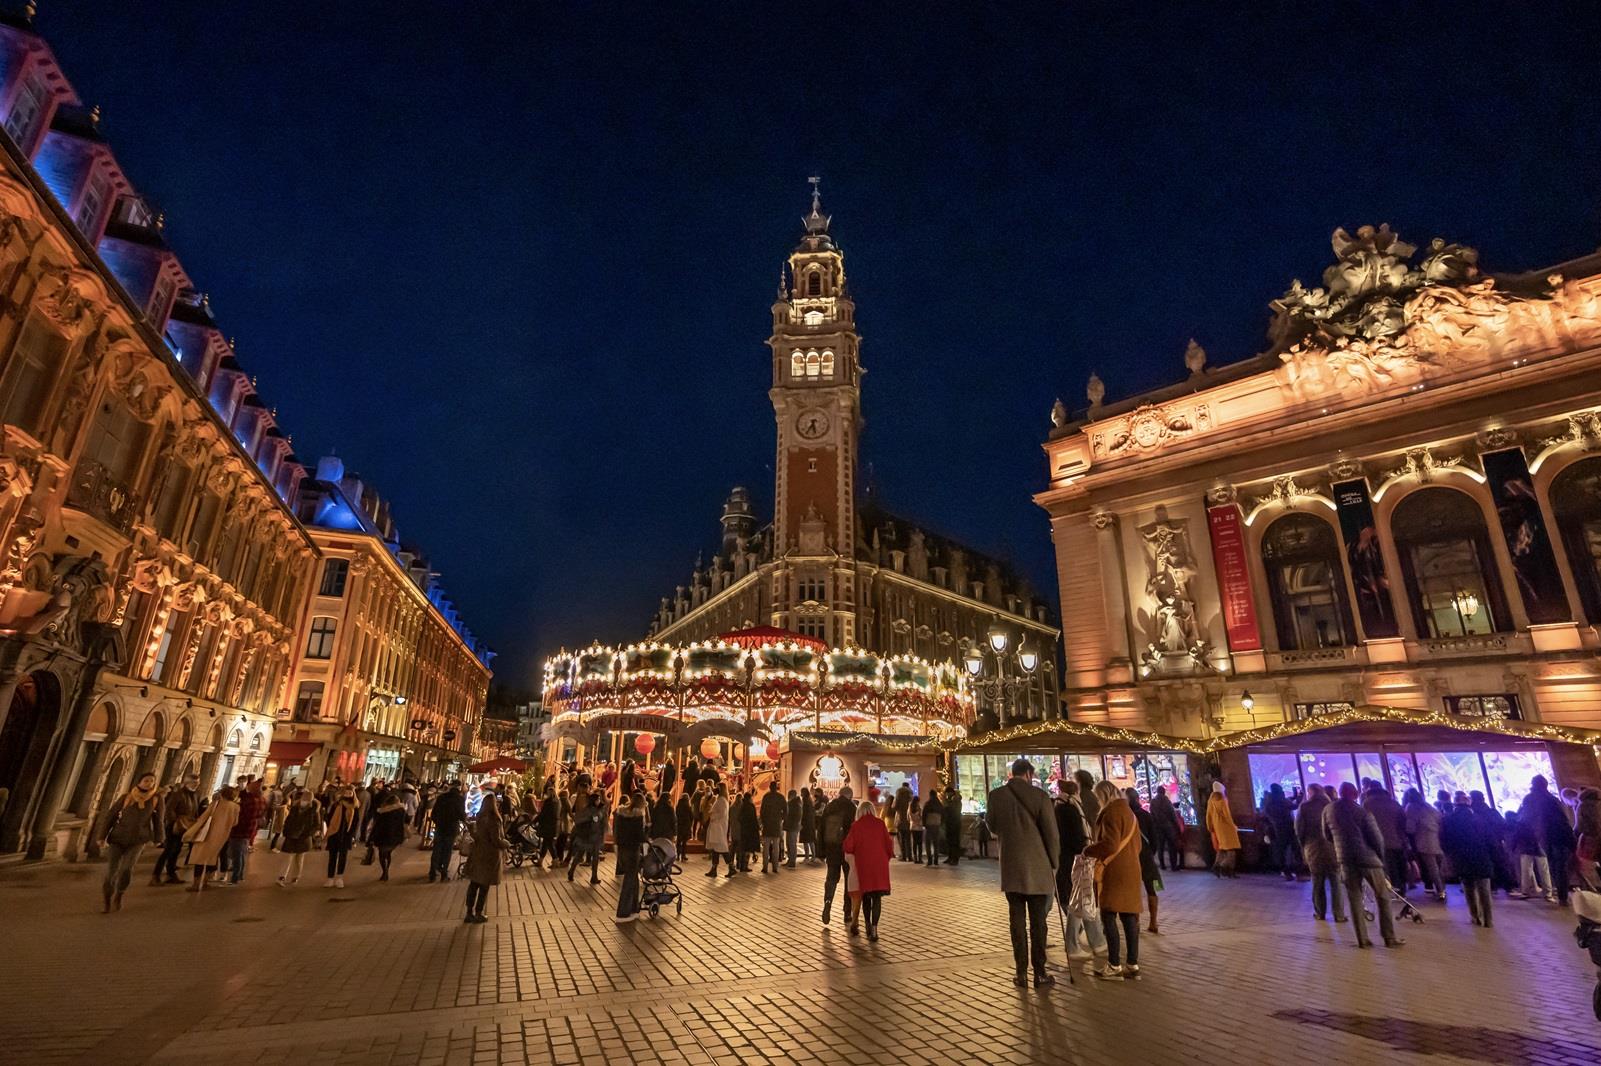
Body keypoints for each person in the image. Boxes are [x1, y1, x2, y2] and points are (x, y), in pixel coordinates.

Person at [990, 758, 1060, 988]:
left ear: (1012, 773)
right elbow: (1051, 833)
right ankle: (1039, 971)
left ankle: (1020, 972)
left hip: (1011, 867)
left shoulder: (996, 796)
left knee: (1016, 921)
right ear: (1029, 774)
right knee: (1038, 923)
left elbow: (992, 826)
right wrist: (1054, 862)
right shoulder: (1039, 797)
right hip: (1038, 867)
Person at [1323, 782, 1403, 949]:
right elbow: (1376, 838)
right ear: (1355, 793)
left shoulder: (1328, 811)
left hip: (1345, 859)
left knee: (1354, 898)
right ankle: (1389, 937)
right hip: (1369, 859)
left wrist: (1340, 848)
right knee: (1382, 896)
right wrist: (1380, 857)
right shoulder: (1362, 811)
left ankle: (1362, 939)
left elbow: (1327, 835)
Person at [1054, 779, 1109, 975]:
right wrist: (1086, 852)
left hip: (1068, 858)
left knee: (1083, 899)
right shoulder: (1070, 809)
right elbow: (1078, 836)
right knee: (1079, 899)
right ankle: (1075, 944)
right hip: (1076, 859)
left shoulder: (1060, 806)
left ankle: (1097, 941)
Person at [99, 771, 162, 912]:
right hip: (117, 838)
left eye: (152, 781)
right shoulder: (126, 797)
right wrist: (101, 836)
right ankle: (107, 899)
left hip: (137, 840)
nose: (149, 783)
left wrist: (159, 838)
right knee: (111, 871)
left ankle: (120, 894)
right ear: (139, 782)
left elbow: (158, 820)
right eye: (146, 780)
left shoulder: (155, 799)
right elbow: (111, 816)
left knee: (126, 869)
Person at [1520, 774, 1578, 906]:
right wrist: (1571, 840)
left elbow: (1524, 819)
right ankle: (1562, 896)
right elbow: (1562, 821)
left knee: (1552, 867)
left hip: (1540, 838)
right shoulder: (1551, 799)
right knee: (1561, 867)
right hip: (1557, 837)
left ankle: (1559, 894)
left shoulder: (1528, 799)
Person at [843, 799, 894, 942]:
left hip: (864, 865)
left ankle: (867, 926)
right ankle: (875, 929)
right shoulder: (880, 824)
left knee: (866, 896)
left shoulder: (856, 826)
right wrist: (885, 859)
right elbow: (888, 846)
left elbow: (848, 846)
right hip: (880, 866)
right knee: (877, 898)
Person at [1442, 791, 1496, 927]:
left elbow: (1446, 841)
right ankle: (1488, 920)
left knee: (1468, 888)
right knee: (1484, 889)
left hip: (1461, 858)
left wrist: (1450, 855)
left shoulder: (1448, 820)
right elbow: (1490, 840)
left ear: (1455, 804)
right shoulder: (1478, 818)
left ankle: (1475, 916)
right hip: (1481, 856)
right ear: (1468, 803)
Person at [1295, 785, 1345, 923]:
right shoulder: (1333, 806)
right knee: (1335, 881)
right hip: (1333, 848)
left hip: (1313, 848)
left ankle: (1320, 912)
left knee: (1317, 881)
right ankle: (1339, 914)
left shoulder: (1304, 807)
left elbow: (1299, 830)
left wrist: (1303, 846)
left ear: (1310, 792)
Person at [183, 785, 240, 893]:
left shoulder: (216, 804)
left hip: (207, 835)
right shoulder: (236, 807)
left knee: (199, 859)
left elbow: (203, 818)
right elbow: (235, 822)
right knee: (212, 858)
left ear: (222, 794)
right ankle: (205, 882)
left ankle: (196, 884)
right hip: (222, 836)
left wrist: (190, 832)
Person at [463, 796, 508, 924]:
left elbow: (477, 835)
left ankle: (469, 912)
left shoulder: (480, 817)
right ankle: (479, 913)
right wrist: (506, 844)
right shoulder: (494, 820)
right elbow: (496, 840)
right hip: (489, 856)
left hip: (477, 853)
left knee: (474, 883)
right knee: (484, 885)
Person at [1124, 788, 1163, 934]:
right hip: (1147, 858)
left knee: (1134, 890)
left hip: (1131, 857)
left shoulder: (1127, 816)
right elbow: (1154, 839)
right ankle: (1153, 921)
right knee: (1152, 888)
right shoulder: (1146, 816)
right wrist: (1150, 853)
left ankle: (1136, 923)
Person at [1361, 782, 1409, 898]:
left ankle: (1394, 889)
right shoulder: (1393, 803)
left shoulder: (1367, 804)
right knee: (1399, 864)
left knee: (1388, 866)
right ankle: (1402, 888)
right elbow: (1403, 821)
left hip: (1378, 840)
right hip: (1397, 839)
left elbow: (1364, 823)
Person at [153, 772, 201, 886]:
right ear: (186, 782)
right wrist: (175, 822)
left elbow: (195, 809)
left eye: (197, 783)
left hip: (186, 826)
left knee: (177, 850)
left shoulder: (196, 794)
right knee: (169, 850)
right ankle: (155, 875)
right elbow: (169, 809)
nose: (196, 785)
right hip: (175, 826)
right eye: (193, 783)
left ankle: (171, 874)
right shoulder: (178, 794)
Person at [819, 786, 857, 926]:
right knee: (849, 880)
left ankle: (827, 902)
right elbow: (855, 831)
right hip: (847, 851)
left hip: (832, 849)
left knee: (831, 878)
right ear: (850, 796)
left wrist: (821, 851)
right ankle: (847, 912)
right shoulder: (852, 808)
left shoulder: (830, 807)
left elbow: (821, 829)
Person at [1403, 787, 1446, 901]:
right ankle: (1443, 889)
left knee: (1432, 868)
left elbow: (1410, 828)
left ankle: (1440, 891)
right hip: (1437, 839)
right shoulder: (1428, 806)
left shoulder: (1411, 808)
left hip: (1423, 841)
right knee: (1439, 867)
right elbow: (1440, 818)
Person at [614, 791, 648, 923]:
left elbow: (617, 831)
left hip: (622, 848)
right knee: (629, 880)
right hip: (633, 849)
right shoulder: (638, 815)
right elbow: (640, 835)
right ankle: (622, 913)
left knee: (633, 878)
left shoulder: (621, 813)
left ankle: (634, 908)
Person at [276, 789, 320, 886]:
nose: (304, 801)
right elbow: (288, 821)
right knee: (288, 857)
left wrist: (308, 833)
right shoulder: (295, 808)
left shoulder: (314, 811)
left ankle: (295, 877)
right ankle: (282, 877)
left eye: (307, 800)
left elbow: (316, 825)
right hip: (291, 836)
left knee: (299, 859)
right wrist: (286, 831)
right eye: (304, 799)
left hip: (303, 838)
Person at [225, 778, 263, 885]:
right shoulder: (260, 800)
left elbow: (242, 814)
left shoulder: (251, 801)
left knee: (236, 854)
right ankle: (240, 875)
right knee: (241, 853)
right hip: (248, 830)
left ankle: (235, 878)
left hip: (240, 829)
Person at [428, 781, 467, 882]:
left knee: (437, 849)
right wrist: (464, 820)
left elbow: (434, 813)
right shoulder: (460, 799)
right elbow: (461, 814)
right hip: (451, 827)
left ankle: (432, 872)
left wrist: (437, 822)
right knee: (447, 850)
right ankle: (444, 873)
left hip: (440, 826)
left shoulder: (441, 797)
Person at [322, 785, 359, 888]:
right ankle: (330, 878)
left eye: (350, 793)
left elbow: (355, 823)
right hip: (334, 834)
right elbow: (329, 817)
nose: (348, 794)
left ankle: (339, 878)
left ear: (353, 794)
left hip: (346, 835)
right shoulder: (337, 805)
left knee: (343, 857)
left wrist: (352, 835)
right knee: (332, 857)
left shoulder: (354, 807)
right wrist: (332, 827)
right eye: (346, 792)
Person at [568, 787, 605, 885]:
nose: (599, 801)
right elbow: (596, 825)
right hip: (593, 838)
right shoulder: (595, 812)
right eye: (598, 799)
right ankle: (594, 877)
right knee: (595, 858)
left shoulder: (586, 809)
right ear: (595, 801)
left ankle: (571, 871)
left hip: (583, 837)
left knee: (579, 854)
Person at [369, 789, 408, 882]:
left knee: (382, 854)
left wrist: (371, 837)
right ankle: (386, 871)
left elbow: (377, 825)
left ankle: (384, 871)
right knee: (388, 853)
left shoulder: (383, 812)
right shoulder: (401, 811)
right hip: (395, 836)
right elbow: (406, 822)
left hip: (383, 835)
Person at [1261, 783, 1297, 881]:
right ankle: (1291, 870)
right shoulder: (1281, 801)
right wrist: (1299, 797)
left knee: (1280, 850)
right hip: (1287, 828)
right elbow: (1293, 806)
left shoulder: (1269, 802)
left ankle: (1284, 871)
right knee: (1291, 849)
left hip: (1276, 829)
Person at [1205, 782, 1241, 877]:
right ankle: (1226, 868)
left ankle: (1216, 866)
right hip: (1227, 828)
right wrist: (1233, 826)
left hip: (1217, 828)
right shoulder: (1223, 800)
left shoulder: (1210, 801)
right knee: (1231, 850)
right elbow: (1227, 816)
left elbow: (1208, 815)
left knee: (1221, 848)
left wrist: (1210, 827)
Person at [704, 781, 733, 878]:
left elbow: (722, 813)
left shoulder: (722, 800)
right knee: (716, 849)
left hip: (718, 827)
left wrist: (713, 815)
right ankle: (714, 869)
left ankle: (730, 867)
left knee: (721, 849)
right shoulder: (720, 799)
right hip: (716, 827)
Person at [1150, 787, 1183, 871]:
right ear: (1164, 792)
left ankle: (1162, 865)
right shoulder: (1166, 801)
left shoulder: (1153, 802)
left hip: (1158, 827)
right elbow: (1173, 815)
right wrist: (1177, 827)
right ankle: (1173, 866)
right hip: (1168, 827)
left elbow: (1152, 816)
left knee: (1160, 846)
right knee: (1172, 846)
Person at [1575, 787, 1601, 890]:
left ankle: (1593, 889)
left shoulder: (1582, 805)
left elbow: (1579, 825)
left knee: (1586, 864)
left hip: (1592, 839)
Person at [759, 781, 785, 874]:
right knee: (776, 847)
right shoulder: (781, 797)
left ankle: (765, 867)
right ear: (776, 787)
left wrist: (762, 821)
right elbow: (786, 810)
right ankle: (775, 867)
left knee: (766, 847)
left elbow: (762, 811)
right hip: (777, 825)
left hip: (767, 825)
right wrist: (781, 818)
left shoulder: (766, 797)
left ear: (770, 787)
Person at [738, 788, 761, 873]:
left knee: (744, 848)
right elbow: (753, 818)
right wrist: (756, 827)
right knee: (748, 849)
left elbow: (739, 818)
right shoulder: (750, 806)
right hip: (750, 830)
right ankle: (745, 866)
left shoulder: (742, 805)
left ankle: (741, 865)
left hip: (744, 830)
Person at [921, 791, 944, 867]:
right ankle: (936, 860)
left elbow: (924, 814)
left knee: (928, 843)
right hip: (937, 824)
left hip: (929, 824)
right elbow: (943, 814)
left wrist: (924, 824)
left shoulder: (928, 804)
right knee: (936, 843)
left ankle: (930, 860)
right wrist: (941, 823)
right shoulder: (939, 804)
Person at [893, 781, 914, 861]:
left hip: (900, 819)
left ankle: (903, 855)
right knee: (908, 839)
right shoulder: (910, 795)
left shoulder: (899, 794)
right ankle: (910, 855)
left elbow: (894, 807)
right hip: (909, 820)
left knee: (901, 838)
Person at [944, 785, 963, 865]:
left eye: (947, 793)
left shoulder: (956, 800)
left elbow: (953, 811)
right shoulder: (950, 800)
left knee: (954, 841)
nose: (947, 795)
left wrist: (947, 806)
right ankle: (950, 857)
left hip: (955, 823)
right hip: (950, 823)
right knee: (950, 841)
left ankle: (955, 859)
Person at [784, 789, 802, 868]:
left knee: (791, 844)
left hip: (792, 826)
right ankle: (790, 859)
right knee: (790, 843)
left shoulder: (794, 804)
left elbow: (796, 816)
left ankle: (792, 861)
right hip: (792, 826)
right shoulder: (795, 804)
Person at [908, 797, 923, 863]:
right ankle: (920, 858)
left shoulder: (910, 808)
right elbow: (921, 817)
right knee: (919, 844)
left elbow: (908, 818)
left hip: (913, 826)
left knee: (914, 842)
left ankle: (915, 858)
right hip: (919, 827)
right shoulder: (919, 808)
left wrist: (911, 822)